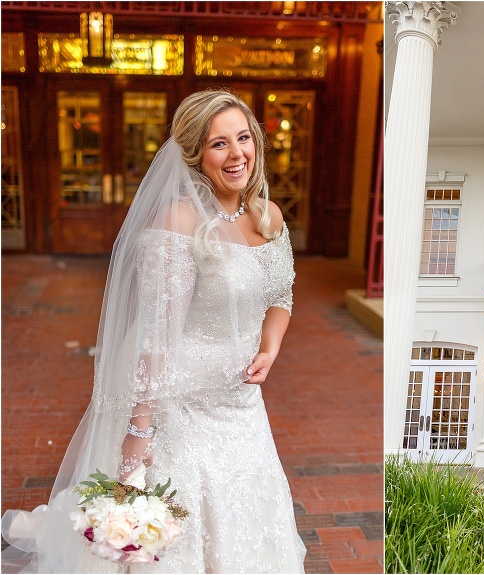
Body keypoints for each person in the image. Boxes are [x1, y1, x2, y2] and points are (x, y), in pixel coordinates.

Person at [1, 89, 306, 573]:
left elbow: (281, 297)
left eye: (243, 138)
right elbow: (157, 341)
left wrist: (269, 348)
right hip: (182, 406)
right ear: (194, 155)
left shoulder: (269, 218)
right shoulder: (177, 224)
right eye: (218, 144)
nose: (237, 154)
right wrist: (136, 446)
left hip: (243, 406)